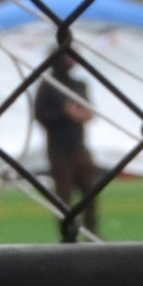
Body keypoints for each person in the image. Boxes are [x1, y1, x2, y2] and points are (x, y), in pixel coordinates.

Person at [36, 50, 99, 235]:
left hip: (79, 146)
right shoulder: (48, 85)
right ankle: (68, 234)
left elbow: (88, 112)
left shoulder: (79, 84)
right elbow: (41, 115)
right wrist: (64, 114)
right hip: (58, 148)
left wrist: (79, 114)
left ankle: (92, 231)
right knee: (64, 196)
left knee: (90, 191)